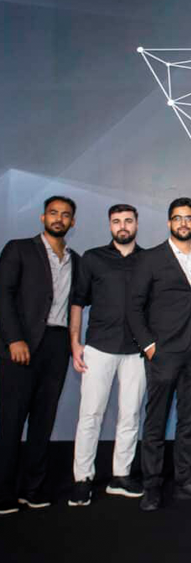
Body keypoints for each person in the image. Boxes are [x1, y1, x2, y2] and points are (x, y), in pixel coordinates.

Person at [127, 197, 191, 511]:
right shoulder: (150, 258)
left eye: (189, 218)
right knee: (156, 421)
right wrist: (149, 346)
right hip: (163, 352)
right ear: (169, 222)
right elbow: (133, 307)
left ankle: (184, 481)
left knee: (189, 420)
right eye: (178, 218)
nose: (183, 223)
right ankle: (151, 486)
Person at [0, 196, 81, 515]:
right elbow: (3, 295)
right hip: (22, 344)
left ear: (73, 222)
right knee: (10, 420)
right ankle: (4, 493)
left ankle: (32, 489)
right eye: (53, 213)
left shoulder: (75, 259)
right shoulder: (19, 249)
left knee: (43, 421)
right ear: (42, 217)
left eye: (65, 215)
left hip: (57, 345)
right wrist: (14, 339)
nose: (59, 218)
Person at [68, 204, 147, 507]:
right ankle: (82, 479)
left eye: (128, 221)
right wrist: (75, 343)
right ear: (110, 225)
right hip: (98, 347)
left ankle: (121, 476)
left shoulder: (148, 260)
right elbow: (78, 302)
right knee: (90, 415)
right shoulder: (93, 258)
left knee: (130, 415)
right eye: (116, 221)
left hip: (136, 351)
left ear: (136, 224)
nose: (122, 226)